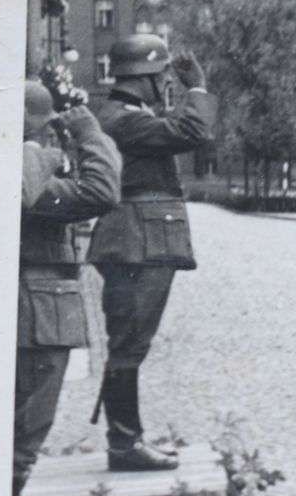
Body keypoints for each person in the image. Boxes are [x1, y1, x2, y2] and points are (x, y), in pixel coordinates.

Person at [87, 34, 217, 471]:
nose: (167, 82)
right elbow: (192, 131)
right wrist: (197, 88)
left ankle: (126, 438)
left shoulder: (127, 113)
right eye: (162, 74)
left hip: (140, 240)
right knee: (129, 344)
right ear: (143, 77)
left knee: (130, 342)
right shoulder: (123, 118)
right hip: (136, 242)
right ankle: (124, 444)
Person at [12, 81, 122, 496]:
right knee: (16, 455)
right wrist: (88, 131)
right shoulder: (26, 176)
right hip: (35, 322)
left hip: (25, 316)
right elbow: (103, 190)